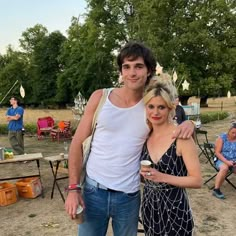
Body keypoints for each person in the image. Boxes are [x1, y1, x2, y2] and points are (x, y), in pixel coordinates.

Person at [65, 41, 195, 236]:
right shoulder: (100, 98)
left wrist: (189, 124)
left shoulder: (150, 106)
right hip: (93, 192)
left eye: (138, 66)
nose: (132, 73)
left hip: (128, 197)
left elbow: (170, 128)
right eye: (126, 67)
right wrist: (73, 189)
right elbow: (76, 144)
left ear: (149, 70)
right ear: (121, 71)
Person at [140, 75, 202, 235]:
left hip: (176, 210)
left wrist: (161, 177)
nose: (155, 112)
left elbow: (197, 180)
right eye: (151, 106)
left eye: (161, 107)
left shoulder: (181, 138)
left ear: (170, 108)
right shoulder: (146, 136)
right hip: (149, 209)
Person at [213, 122, 236, 199]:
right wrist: (227, 162)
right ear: (228, 131)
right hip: (221, 159)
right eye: (233, 132)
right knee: (224, 168)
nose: (234, 135)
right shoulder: (222, 137)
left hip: (233, 160)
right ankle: (216, 189)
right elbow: (217, 152)